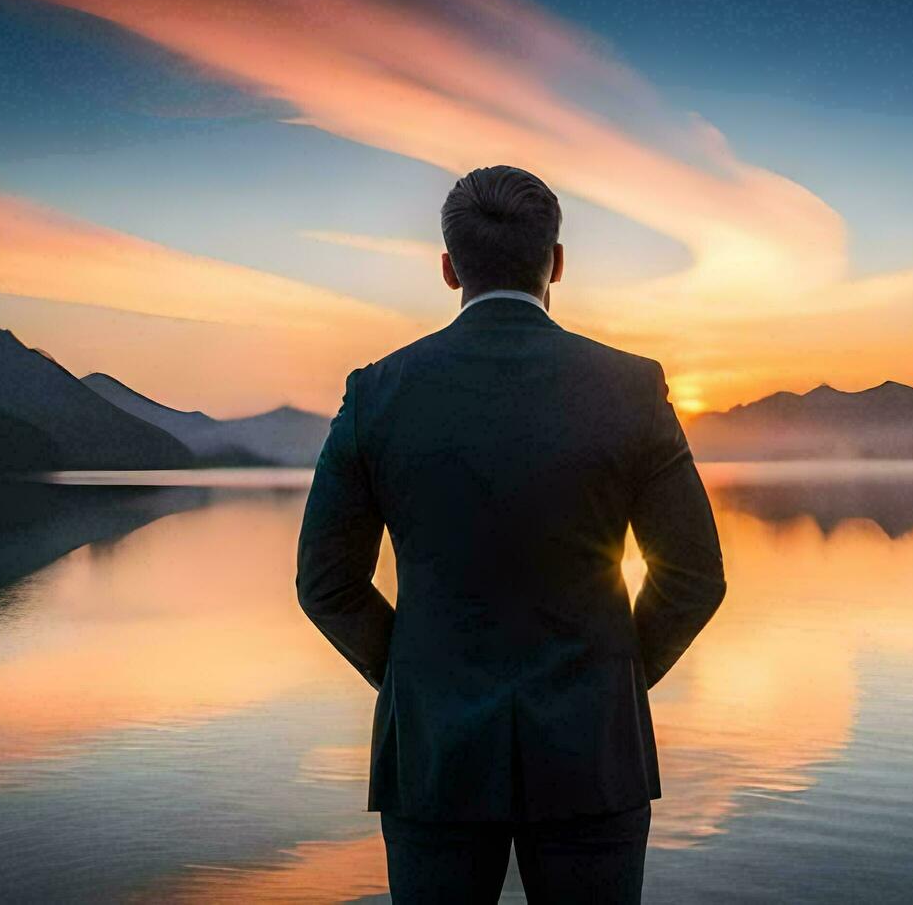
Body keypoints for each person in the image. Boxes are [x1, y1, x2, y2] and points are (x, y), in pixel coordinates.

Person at [296, 165, 725, 903]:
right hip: (595, 755)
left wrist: (414, 678)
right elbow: (692, 577)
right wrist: (609, 683)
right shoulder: (632, 388)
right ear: (556, 261)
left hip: (434, 757)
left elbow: (327, 584)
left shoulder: (377, 393)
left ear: (448, 267)